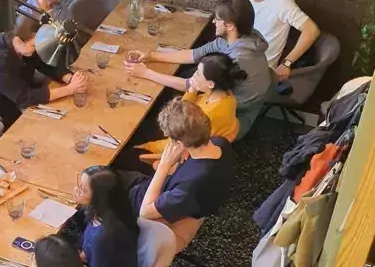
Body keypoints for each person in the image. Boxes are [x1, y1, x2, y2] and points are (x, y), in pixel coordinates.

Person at [124, 0, 272, 139]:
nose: (213, 21)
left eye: (217, 19)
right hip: (224, 96)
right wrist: (151, 56)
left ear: (229, 26)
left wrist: (145, 73)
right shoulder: (236, 38)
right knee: (174, 85)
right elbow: (194, 54)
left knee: (162, 122)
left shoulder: (237, 59)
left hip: (237, 115)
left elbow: (189, 84)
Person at [120, 99, 236, 224]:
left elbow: (145, 212)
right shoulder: (220, 143)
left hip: (137, 202)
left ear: (180, 143)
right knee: (128, 160)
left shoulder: (187, 189)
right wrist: (186, 150)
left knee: (110, 172)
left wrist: (163, 167)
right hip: (159, 185)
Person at [0, 19, 88, 129]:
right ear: (18, 41)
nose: (36, 49)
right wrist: (69, 89)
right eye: (34, 46)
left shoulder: (22, 45)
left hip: (22, 87)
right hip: (0, 103)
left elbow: (43, 62)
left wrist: (69, 78)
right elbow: (24, 98)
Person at [134, 53, 246, 162]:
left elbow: (181, 127)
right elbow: (185, 109)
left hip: (188, 145)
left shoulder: (208, 115)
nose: (194, 75)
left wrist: (150, 147)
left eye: (198, 74)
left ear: (210, 84)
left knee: (140, 136)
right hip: (199, 134)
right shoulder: (225, 95)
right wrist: (193, 89)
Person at [75, 166, 139, 267]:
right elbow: (85, 243)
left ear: (98, 198)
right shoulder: (109, 210)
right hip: (93, 261)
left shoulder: (103, 237)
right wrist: (83, 255)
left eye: (83, 189)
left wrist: (75, 265)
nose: (76, 190)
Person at [250, 0, 320, 80]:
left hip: (258, 73)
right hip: (241, 61)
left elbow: (312, 30)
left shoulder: (282, 3)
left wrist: (286, 63)